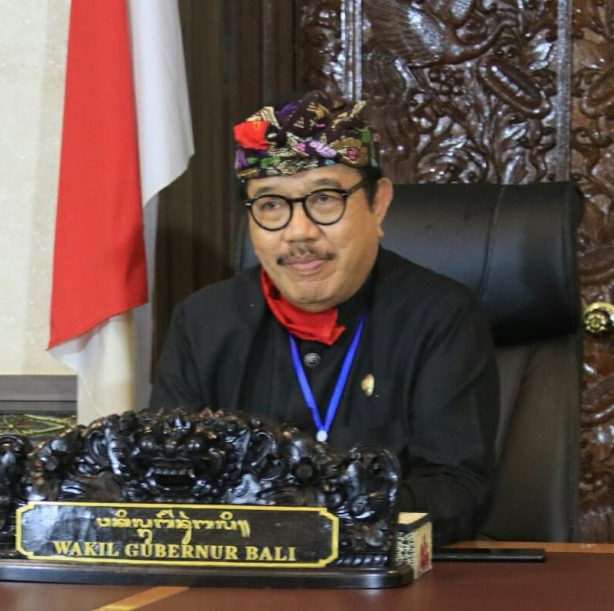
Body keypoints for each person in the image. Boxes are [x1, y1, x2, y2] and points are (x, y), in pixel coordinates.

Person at [150, 90, 499, 545]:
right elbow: (164, 479)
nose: (299, 232)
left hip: (378, 572)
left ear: (378, 204)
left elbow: (457, 490)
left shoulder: (439, 316)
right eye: (271, 205)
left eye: (325, 199)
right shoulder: (203, 323)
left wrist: (323, 515)